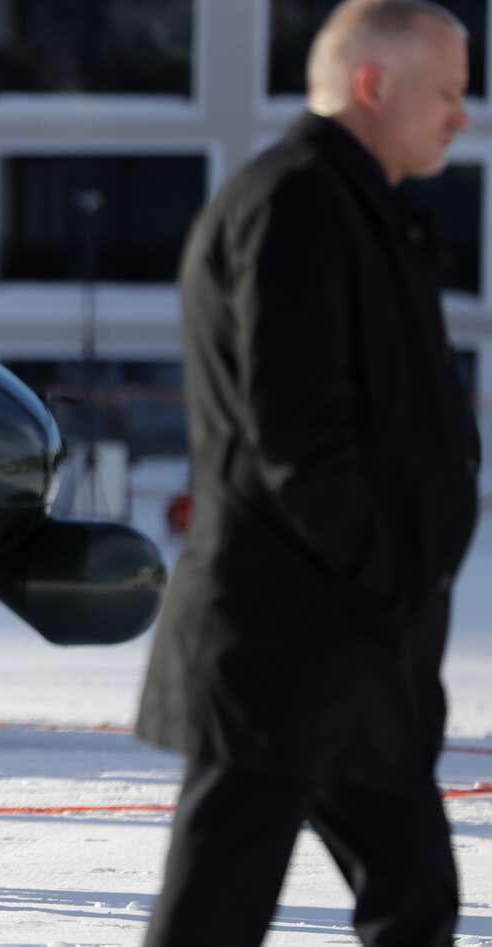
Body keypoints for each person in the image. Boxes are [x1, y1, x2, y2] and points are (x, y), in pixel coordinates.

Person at [136, 1, 480, 943]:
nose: (462, 114)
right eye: (447, 92)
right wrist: (389, 570)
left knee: (414, 901)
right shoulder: (295, 204)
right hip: (285, 648)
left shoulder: (363, 210)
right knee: (217, 915)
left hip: (350, 647)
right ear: (374, 83)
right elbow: (294, 436)